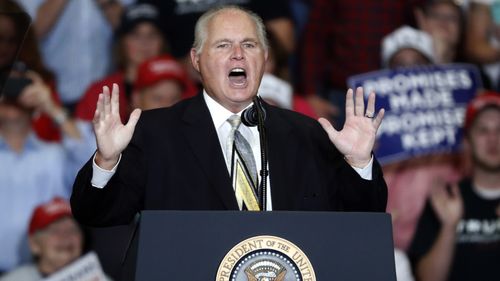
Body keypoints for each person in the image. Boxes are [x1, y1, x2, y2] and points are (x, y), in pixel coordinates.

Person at [70, 6, 387, 226]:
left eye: (249, 45)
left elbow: (362, 218)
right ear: (196, 59)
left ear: (264, 58)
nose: (238, 54)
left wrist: (359, 164)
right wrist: (106, 161)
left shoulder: (306, 134)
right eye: (223, 45)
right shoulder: (155, 133)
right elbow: (96, 214)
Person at [408, 93, 500, 281]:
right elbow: (428, 278)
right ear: (467, 142)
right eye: (483, 130)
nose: (493, 139)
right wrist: (449, 227)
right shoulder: (445, 198)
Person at [16, 0, 134, 110]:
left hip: (104, 93)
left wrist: (107, 4)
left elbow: (131, 30)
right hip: (50, 93)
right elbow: (27, 35)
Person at [0, 92, 70, 273]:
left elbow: (98, 162)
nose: (13, 94)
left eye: (21, 90)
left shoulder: (56, 154)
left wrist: (53, 109)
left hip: (48, 270)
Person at [0, 198, 84, 281]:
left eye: (72, 229)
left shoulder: (96, 270)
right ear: (34, 244)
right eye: (55, 230)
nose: (65, 236)